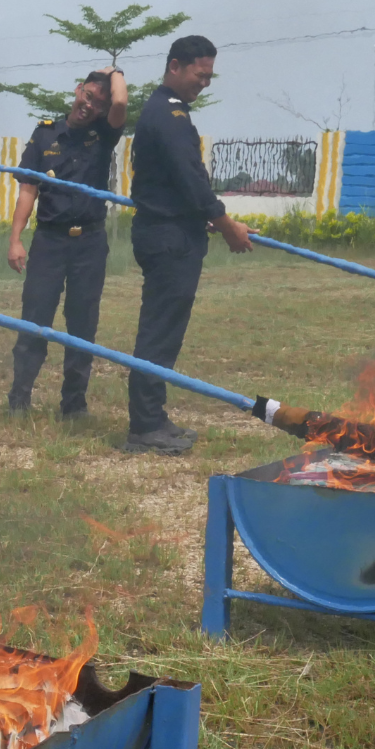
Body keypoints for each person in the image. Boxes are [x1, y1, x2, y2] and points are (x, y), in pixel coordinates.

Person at [123, 34, 253, 455]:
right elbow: (190, 177)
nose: (205, 83)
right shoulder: (169, 114)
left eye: (210, 76)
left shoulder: (168, 111)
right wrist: (224, 222)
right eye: (201, 74)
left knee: (167, 332)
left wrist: (213, 219)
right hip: (168, 236)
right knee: (159, 332)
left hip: (173, 230)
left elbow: (178, 182)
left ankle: (154, 416)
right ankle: (144, 427)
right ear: (175, 66)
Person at [5, 68, 129, 418]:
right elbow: (28, 189)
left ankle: (73, 405)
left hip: (89, 242)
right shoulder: (45, 135)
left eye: (98, 103)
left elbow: (120, 100)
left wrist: (113, 72)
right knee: (34, 320)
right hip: (49, 241)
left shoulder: (104, 134)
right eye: (88, 96)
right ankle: (19, 400)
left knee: (82, 324)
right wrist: (16, 239)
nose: (90, 106)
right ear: (77, 91)